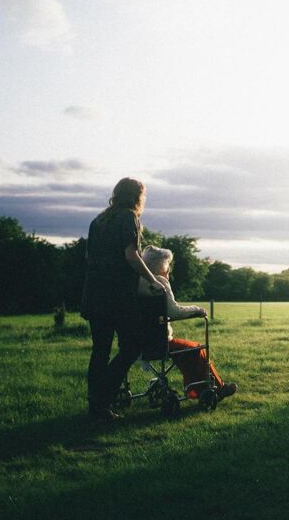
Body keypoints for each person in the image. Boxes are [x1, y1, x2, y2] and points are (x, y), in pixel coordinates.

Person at [81, 177, 165, 422]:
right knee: (131, 348)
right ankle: (102, 397)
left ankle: (96, 407)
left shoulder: (99, 220)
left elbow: (89, 257)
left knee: (100, 351)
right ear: (136, 196)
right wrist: (153, 280)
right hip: (117, 296)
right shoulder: (129, 217)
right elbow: (131, 255)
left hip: (94, 294)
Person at [138, 245, 237, 402]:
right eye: (168, 264)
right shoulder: (159, 282)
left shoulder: (138, 282)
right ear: (161, 265)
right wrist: (198, 310)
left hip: (138, 342)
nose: (169, 268)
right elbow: (174, 312)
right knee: (197, 349)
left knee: (187, 350)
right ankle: (215, 388)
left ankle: (199, 388)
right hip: (159, 342)